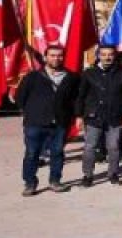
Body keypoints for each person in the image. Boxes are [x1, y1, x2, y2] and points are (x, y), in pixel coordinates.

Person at [17, 45, 79, 196]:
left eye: (59, 55)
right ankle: (30, 183)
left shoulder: (72, 77)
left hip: (60, 123)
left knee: (57, 153)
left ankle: (55, 181)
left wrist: (75, 116)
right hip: (35, 123)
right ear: (45, 57)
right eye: (52, 55)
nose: (56, 58)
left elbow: (76, 100)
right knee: (32, 153)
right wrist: (32, 113)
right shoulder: (32, 77)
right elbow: (21, 98)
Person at [76, 44, 122, 187]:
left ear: (114, 56)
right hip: (93, 116)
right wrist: (79, 115)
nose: (107, 57)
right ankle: (87, 175)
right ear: (98, 56)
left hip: (115, 117)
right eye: (103, 54)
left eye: (110, 54)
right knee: (90, 147)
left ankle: (113, 173)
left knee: (113, 147)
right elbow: (81, 96)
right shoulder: (89, 73)